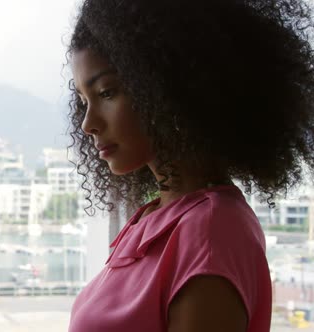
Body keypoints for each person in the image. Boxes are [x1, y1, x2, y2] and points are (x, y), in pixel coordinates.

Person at [66, 0, 314, 331]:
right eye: (84, 102)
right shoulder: (156, 220)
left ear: (169, 85)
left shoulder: (210, 232)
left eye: (107, 92)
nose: (88, 124)